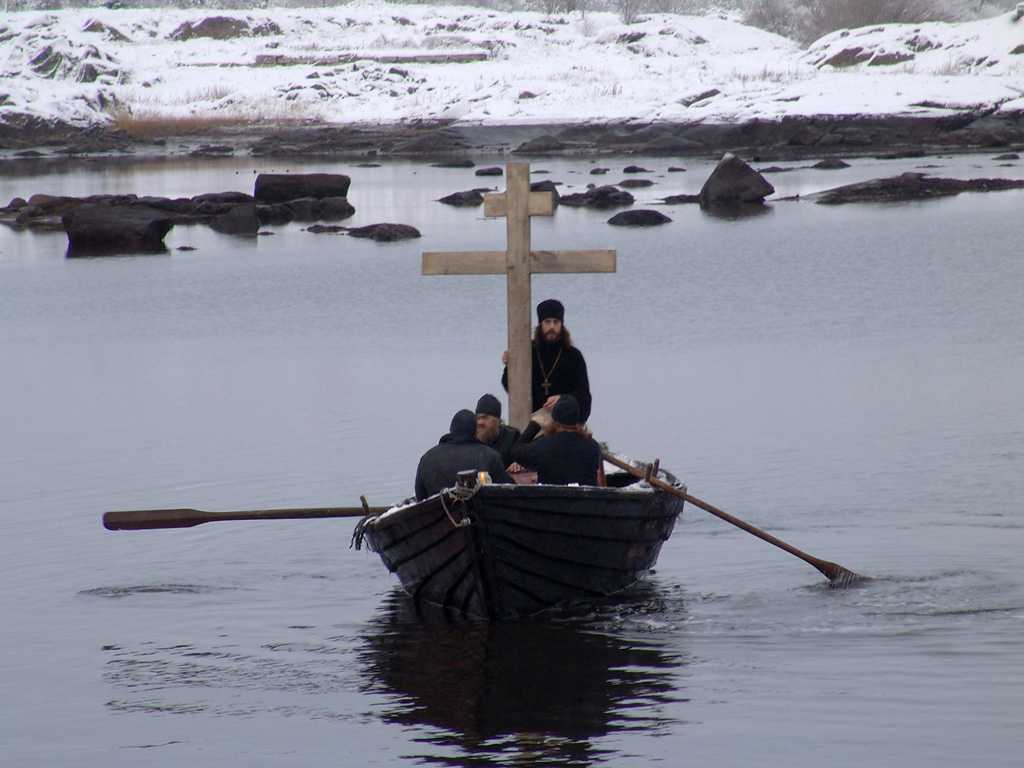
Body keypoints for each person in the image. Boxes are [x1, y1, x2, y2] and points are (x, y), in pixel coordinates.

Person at [502, 298, 592, 424]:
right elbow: (511, 387)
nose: (552, 327)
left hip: (565, 424)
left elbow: (584, 395)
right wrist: (509, 366)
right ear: (540, 324)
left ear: (561, 324)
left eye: (556, 322)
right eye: (547, 322)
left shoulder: (574, 356)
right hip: (533, 423)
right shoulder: (527, 353)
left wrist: (563, 399)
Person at [415, 409, 512, 501]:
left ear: (451, 430)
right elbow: (509, 493)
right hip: (481, 516)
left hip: (439, 516)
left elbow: (420, 498)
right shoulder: (490, 456)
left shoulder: (427, 458)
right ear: (475, 431)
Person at [510, 395, 601, 486]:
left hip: (553, 499)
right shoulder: (593, 447)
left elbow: (516, 452)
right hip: (586, 499)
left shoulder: (544, 446)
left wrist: (535, 425)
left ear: (554, 420)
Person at [474, 393, 523, 470]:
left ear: (498, 420)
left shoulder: (513, 437)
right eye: (478, 418)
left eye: (485, 417)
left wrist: (517, 464)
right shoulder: (472, 439)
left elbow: (522, 459)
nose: (480, 422)